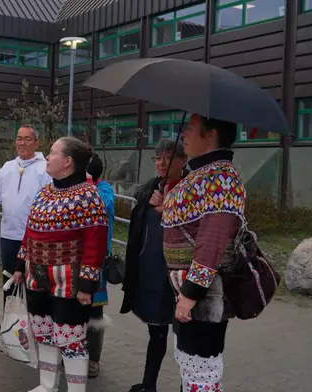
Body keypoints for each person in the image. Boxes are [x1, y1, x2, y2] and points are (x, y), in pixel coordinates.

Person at [13, 137, 108, 392]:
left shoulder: (89, 196)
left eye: (52, 153)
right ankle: (47, 385)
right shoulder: (44, 191)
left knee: (71, 339)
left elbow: (95, 243)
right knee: (43, 333)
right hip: (37, 276)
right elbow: (29, 231)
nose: (47, 157)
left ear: (67, 162)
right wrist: (20, 264)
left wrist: (88, 284)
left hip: (69, 280)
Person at [160, 115, 245, 392]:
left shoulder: (221, 177)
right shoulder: (201, 173)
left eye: (191, 129)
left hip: (204, 293)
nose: (183, 134)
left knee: (201, 369)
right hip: (187, 288)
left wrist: (191, 293)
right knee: (187, 360)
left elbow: (212, 239)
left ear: (211, 135)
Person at [120, 138, 187, 392]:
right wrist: (149, 201)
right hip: (152, 272)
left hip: (181, 275)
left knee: (185, 338)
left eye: (167, 158)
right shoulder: (151, 188)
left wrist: (166, 209)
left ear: (183, 160)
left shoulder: (191, 190)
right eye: (157, 158)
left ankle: (187, 386)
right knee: (156, 333)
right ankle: (149, 385)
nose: (161, 163)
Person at [0, 124, 52, 341]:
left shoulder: (43, 168)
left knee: (35, 284)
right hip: (9, 236)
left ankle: (36, 330)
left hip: (35, 239)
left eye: (27, 139)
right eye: (19, 138)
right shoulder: (9, 167)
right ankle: (9, 329)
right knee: (9, 283)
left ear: (36, 143)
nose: (22, 143)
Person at [84, 153, 114, 379]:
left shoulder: (104, 191)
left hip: (97, 261)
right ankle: (73, 352)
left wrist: (87, 187)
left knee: (95, 311)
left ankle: (93, 359)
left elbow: (102, 206)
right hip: (75, 260)